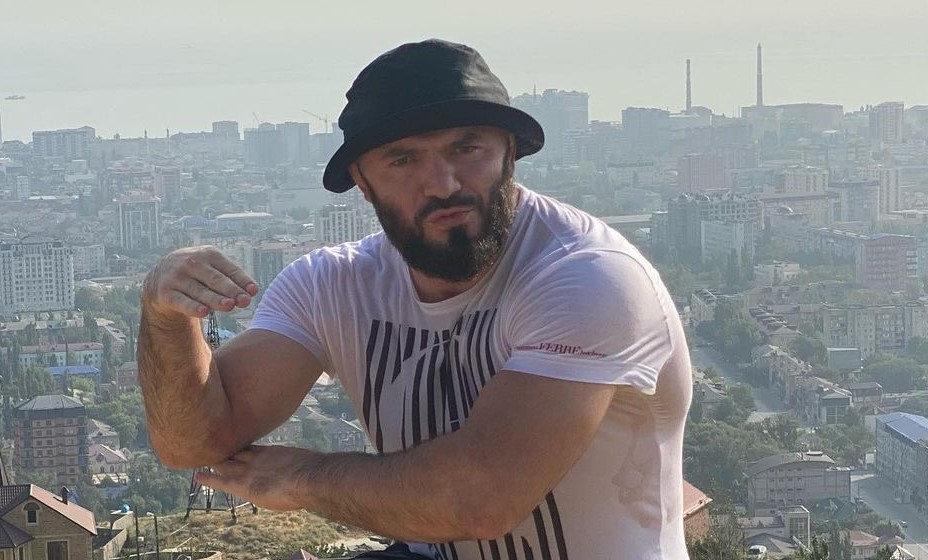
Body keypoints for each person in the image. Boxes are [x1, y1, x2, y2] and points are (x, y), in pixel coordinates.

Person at [138, 38, 693, 560]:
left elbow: (481, 497)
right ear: (362, 181)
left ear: (509, 153)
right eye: (403, 160)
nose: (443, 183)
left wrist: (303, 478)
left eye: (466, 148)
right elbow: (194, 442)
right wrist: (165, 316)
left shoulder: (588, 278)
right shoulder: (332, 284)